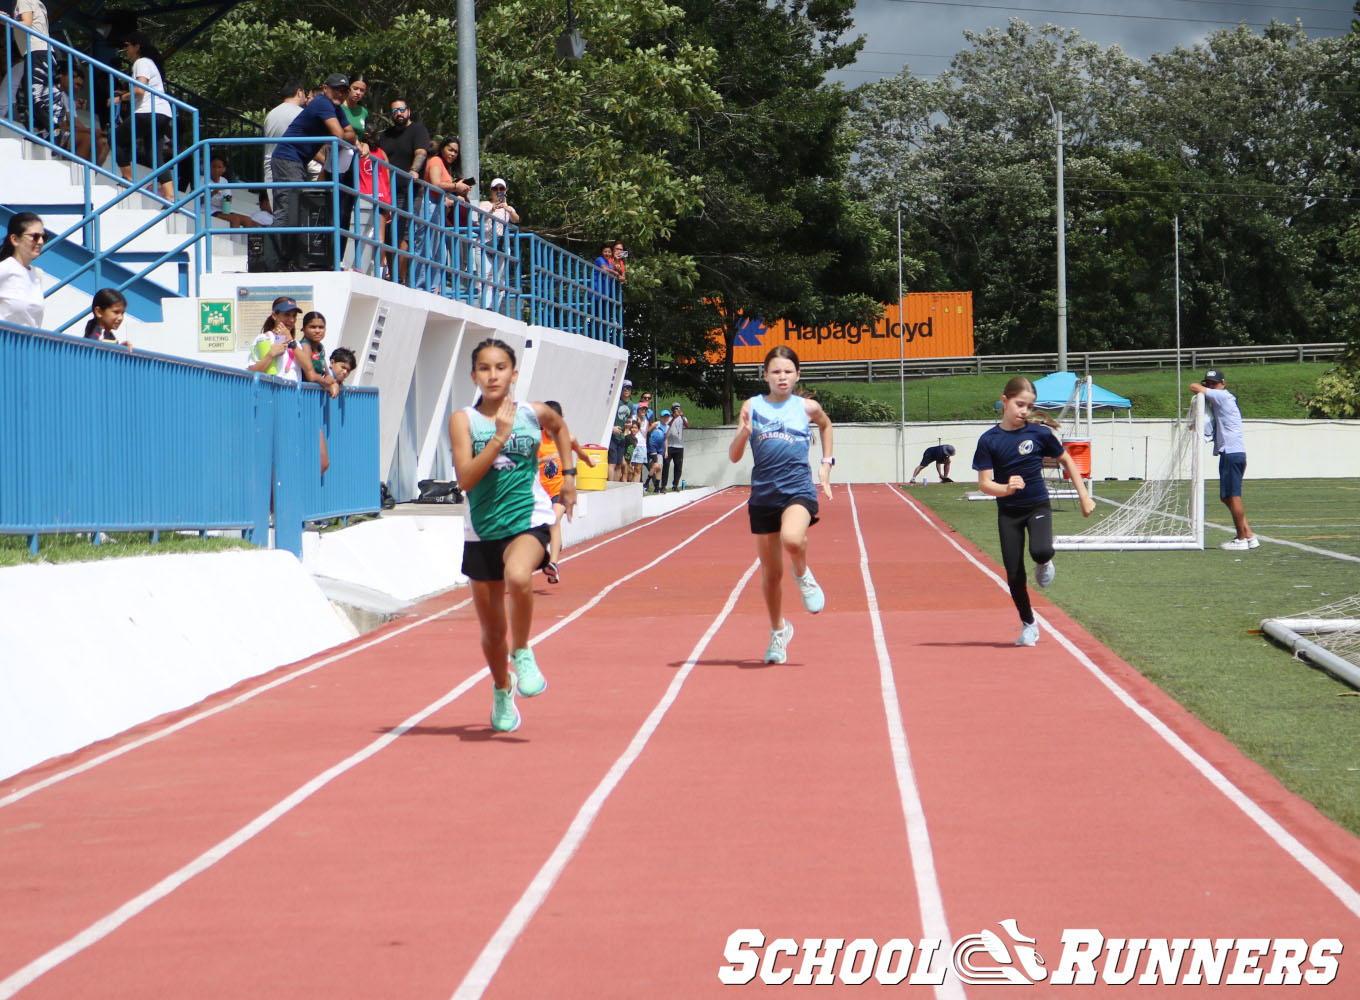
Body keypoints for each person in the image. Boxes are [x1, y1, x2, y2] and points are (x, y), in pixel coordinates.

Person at [448, 338, 577, 732]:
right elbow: (467, 480)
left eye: (500, 367)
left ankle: (522, 651)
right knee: (491, 632)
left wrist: (569, 479)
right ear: (474, 376)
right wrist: (500, 436)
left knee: (519, 576)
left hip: (528, 518)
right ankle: (502, 689)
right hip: (482, 529)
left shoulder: (531, 412)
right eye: (484, 368)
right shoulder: (464, 420)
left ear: (513, 373)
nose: (492, 375)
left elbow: (559, 426)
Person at [729, 345, 834, 664]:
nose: (782, 376)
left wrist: (826, 463)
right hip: (763, 495)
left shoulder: (807, 407)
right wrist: (744, 434)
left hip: (798, 490)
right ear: (765, 376)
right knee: (771, 574)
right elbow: (734, 456)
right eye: (775, 371)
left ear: (797, 374)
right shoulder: (752, 406)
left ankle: (802, 573)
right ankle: (779, 631)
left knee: (792, 538)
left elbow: (826, 425)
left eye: (788, 371)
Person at [972, 376, 1095, 647]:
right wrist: (1005, 488)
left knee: (1039, 550)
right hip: (1009, 513)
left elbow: (1066, 461)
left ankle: (1044, 561)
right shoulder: (988, 440)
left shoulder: (1039, 434)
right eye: (1019, 405)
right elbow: (984, 484)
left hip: (1037, 505)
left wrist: (1084, 496)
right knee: (1014, 574)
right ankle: (1029, 624)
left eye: (1029, 406)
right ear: (1004, 401)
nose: (1024, 412)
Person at [266, 73, 354, 272]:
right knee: (288, 210)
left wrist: (347, 135)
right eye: (336, 89)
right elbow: (340, 135)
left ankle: (286, 260)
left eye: (344, 91)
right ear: (325, 88)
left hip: (298, 160)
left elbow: (352, 135)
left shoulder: (336, 108)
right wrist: (344, 133)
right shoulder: (322, 103)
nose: (340, 93)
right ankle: (272, 262)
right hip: (287, 158)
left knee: (296, 210)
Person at [1191, 368, 1257, 550]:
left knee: (1233, 496)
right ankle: (1249, 535)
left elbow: (1193, 386)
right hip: (1230, 452)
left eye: (1214, 383)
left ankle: (1241, 538)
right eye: (1209, 383)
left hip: (1232, 452)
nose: (1211, 386)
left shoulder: (1223, 396)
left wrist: (1204, 387)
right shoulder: (1220, 398)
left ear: (1223, 383)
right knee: (1226, 497)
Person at [537, 400, 598, 583]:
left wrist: (589, 462)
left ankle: (553, 564)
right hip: (541, 493)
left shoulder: (568, 438)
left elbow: (580, 452)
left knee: (554, 520)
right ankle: (555, 552)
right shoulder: (536, 440)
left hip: (561, 491)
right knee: (548, 530)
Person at [113, 32, 175, 201]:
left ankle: (128, 179)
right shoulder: (151, 63)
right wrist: (126, 93)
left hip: (148, 112)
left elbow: (140, 90)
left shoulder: (141, 62)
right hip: (163, 113)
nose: (126, 49)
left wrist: (119, 98)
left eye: (127, 46)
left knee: (116, 139)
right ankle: (170, 197)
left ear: (137, 46)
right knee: (154, 155)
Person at [377, 98, 430, 285]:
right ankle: (391, 275)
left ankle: (400, 278)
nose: (398, 114)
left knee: (405, 234)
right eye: (394, 111)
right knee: (389, 235)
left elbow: (421, 152)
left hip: (409, 191)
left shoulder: (418, 130)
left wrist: (414, 170)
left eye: (401, 110)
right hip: (386, 191)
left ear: (408, 110)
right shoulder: (386, 135)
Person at [422, 136, 473, 290]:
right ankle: (423, 285)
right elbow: (436, 183)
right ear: (443, 148)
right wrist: (456, 187)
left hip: (437, 205)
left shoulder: (444, 165)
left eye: (456, 152)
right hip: (429, 204)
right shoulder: (436, 161)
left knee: (437, 249)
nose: (453, 153)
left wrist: (454, 194)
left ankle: (434, 285)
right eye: (450, 149)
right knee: (428, 247)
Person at [0, 212, 47, 328]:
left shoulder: (37, 274)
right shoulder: (5, 268)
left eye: (43, 237)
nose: (40, 242)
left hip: (29, 344)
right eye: (34, 236)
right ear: (15, 239)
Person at [477, 177, 519, 308]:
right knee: (485, 279)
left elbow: (516, 219)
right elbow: (481, 218)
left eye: (501, 188)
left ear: (505, 191)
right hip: (485, 243)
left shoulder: (508, 208)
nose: (498, 191)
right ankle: (485, 307)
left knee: (499, 280)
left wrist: (506, 207)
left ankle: (494, 308)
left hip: (501, 246)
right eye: (495, 189)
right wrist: (492, 209)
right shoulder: (485, 204)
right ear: (491, 191)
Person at [262, 80, 305, 186]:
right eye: (305, 93)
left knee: (276, 202)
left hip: (269, 168)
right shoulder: (301, 114)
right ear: (299, 92)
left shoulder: (271, 114)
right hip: (290, 167)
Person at [246, 296, 301, 376]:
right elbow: (251, 373)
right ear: (274, 315)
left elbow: (308, 369)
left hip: (292, 388)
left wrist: (291, 341)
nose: (292, 320)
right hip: (271, 388)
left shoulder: (296, 344)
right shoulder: (264, 338)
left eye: (294, 315)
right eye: (287, 315)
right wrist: (271, 354)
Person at [293, 310, 340, 398]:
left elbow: (327, 374)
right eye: (313, 327)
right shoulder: (305, 346)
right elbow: (311, 376)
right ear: (303, 329)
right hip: (303, 394)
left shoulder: (320, 348)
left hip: (314, 396)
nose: (317, 331)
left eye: (321, 327)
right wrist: (328, 384)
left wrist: (334, 383)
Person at [208, 155, 260, 228]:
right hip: (208, 211)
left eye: (219, 167)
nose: (216, 170)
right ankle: (234, 240)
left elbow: (227, 198)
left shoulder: (224, 181)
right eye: (214, 167)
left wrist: (228, 200)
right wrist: (215, 191)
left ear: (224, 169)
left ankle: (254, 239)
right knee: (235, 219)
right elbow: (199, 200)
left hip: (222, 211)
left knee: (248, 220)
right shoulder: (203, 181)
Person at [608, 379, 634, 480]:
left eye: (629, 388)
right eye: (624, 388)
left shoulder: (631, 405)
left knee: (619, 464)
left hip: (622, 436)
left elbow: (629, 419)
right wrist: (612, 428)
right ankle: (610, 485)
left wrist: (628, 426)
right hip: (613, 436)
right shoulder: (616, 402)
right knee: (612, 463)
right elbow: (607, 417)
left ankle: (615, 487)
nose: (627, 390)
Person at [664, 399, 689, 491]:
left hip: (679, 446)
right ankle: (664, 485)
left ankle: (675, 485)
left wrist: (682, 416)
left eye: (678, 408)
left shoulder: (683, 418)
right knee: (666, 465)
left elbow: (687, 426)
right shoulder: (669, 418)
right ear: (672, 409)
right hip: (669, 445)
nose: (676, 410)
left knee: (678, 467)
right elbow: (667, 426)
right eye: (675, 408)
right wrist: (674, 418)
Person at [647, 410, 669, 492]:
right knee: (656, 465)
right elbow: (648, 431)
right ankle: (647, 482)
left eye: (667, 416)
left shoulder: (667, 427)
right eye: (664, 416)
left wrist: (666, 450)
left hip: (661, 448)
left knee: (660, 467)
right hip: (653, 447)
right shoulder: (656, 424)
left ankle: (657, 487)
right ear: (661, 417)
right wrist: (648, 442)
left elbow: (666, 439)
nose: (665, 418)